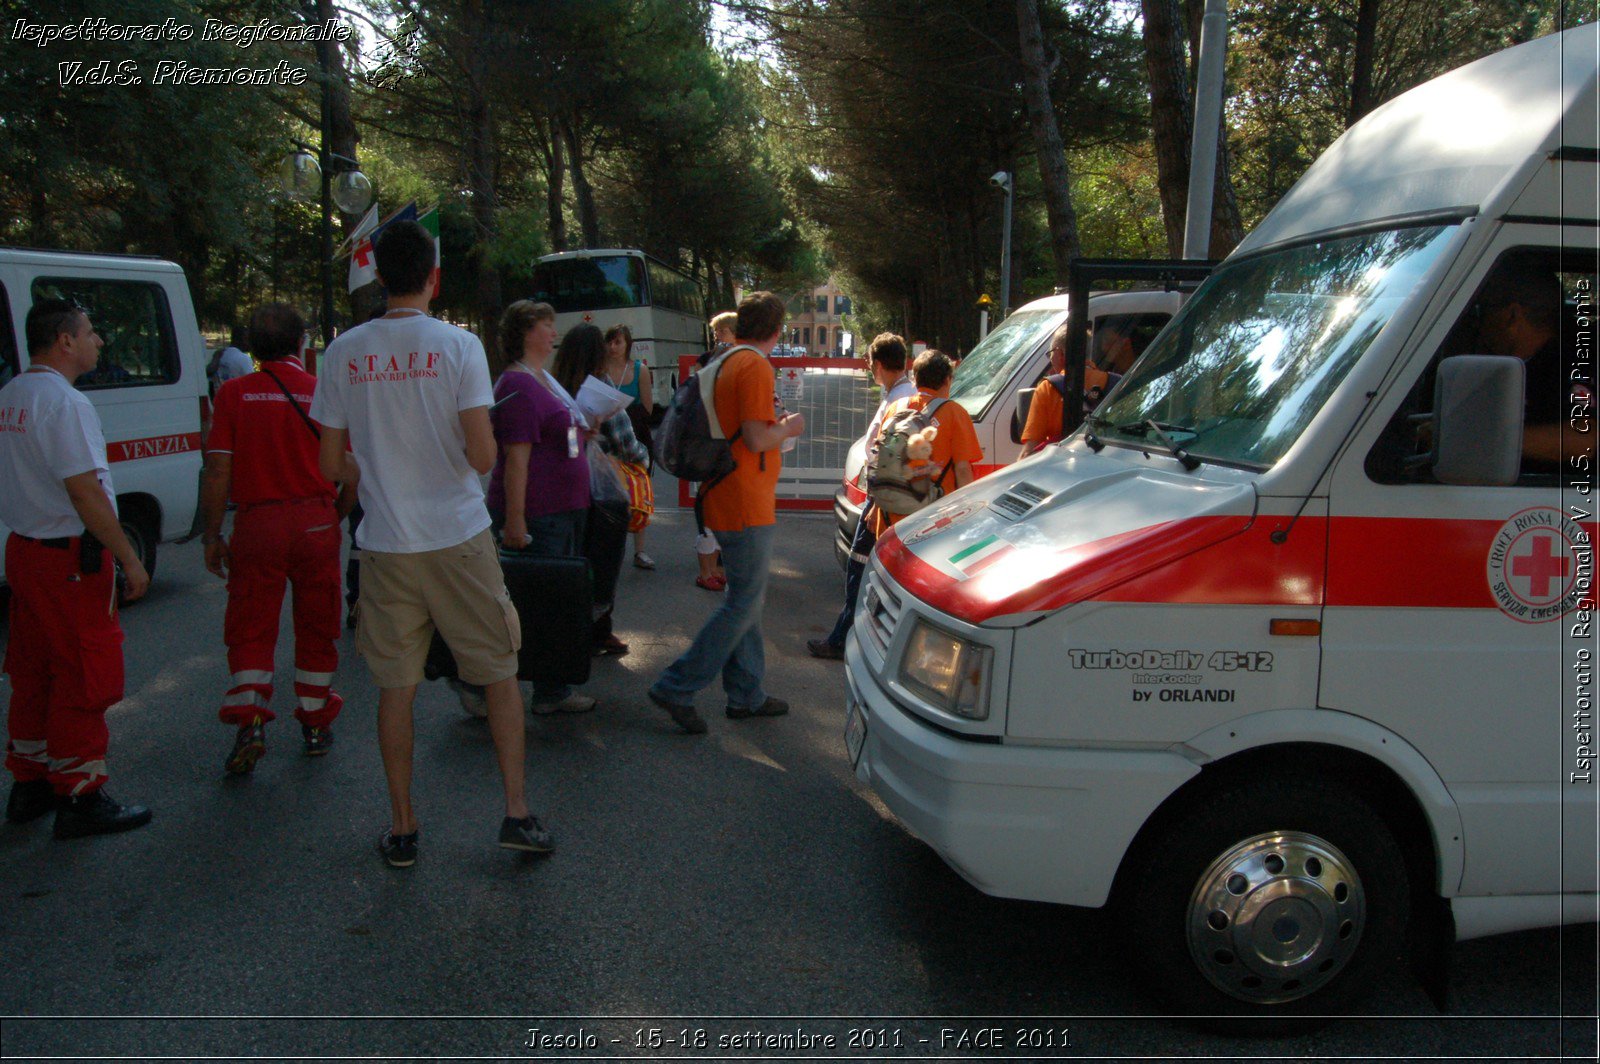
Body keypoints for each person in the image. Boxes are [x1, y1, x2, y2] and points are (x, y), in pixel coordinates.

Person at [308, 220, 553, 867]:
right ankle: (516, 813)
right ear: (435, 278)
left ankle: (404, 827)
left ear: (380, 277)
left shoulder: (343, 352)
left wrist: (374, 472)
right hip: (457, 537)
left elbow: (331, 462)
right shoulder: (459, 346)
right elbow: (479, 454)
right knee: (499, 672)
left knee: (396, 686)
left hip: (385, 544)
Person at [0, 297, 153, 838]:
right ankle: (81, 792)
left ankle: (31, 781)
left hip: (25, 551)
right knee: (83, 674)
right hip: (67, 558)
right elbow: (85, 490)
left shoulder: (12, 395)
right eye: (90, 333)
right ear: (65, 341)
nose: (99, 342)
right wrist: (128, 557)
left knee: (33, 670)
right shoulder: (63, 404)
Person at [200, 303, 353, 775]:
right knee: (316, 621)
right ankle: (313, 721)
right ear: (301, 342)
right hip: (315, 521)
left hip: (258, 524)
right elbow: (353, 472)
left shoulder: (233, 395)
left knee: (250, 624)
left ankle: (249, 719)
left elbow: (218, 469)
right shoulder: (322, 392)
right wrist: (336, 515)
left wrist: (212, 535)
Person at [648, 292, 805, 734]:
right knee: (741, 604)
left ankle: (746, 694)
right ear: (776, 331)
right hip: (744, 500)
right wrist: (790, 426)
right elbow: (756, 438)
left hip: (726, 495)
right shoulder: (754, 365)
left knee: (745, 601)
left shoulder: (727, 359)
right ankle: (676, 686)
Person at [485, 300, 596, 714]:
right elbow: (516, 459)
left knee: (550, 603)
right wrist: (515, 521)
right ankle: (487, 687)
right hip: (540, 512)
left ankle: (550, 689)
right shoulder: (519, 386)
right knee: (536, 604)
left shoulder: (541, 379)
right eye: (545, 325)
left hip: (560, 509)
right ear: (525, 332)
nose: (553, 331)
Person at [808, 332, 916, 660]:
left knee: (858, 567)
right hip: (884, 497)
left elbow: (890, 458)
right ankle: (853, 636)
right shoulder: (899, 394)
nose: (869, 369)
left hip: (882, 499)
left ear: (880, 365)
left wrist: (877, 503)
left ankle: (843, 640)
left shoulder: (900, 401)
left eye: (870, 363)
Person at [553, 323, 649, 657]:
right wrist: (643, 458)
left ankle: (573, 631)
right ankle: (597, 631)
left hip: (563, 488)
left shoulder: (554, 384)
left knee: (572, 561)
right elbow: (625, 441)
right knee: (603, 563)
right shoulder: (600, 386)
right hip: (602, 491)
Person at [1472, 256, 1590, 474]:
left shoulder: (1579, 360)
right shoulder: (1515, 366)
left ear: (1512, 315)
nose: (1477, 323)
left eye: (1481, 310)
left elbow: (1586, 440)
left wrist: (1473, 440)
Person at [868, 349, 982, 537]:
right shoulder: (955, 413)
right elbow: (962, 470)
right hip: (932, 521)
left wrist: (874, 506)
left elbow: (880, 461)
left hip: (889, 517)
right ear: (947, 380)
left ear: (915, 379)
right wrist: (968, 514)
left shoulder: (896, 408)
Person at [605, 324, 656, 570]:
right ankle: (613, 549)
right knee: (612, 495)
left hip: (635, 436)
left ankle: (640, 551)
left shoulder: (639, 370)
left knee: (638, 492)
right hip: (609, 440)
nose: (613, 347)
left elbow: (648, 407)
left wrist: (625, 411)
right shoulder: (599, 371)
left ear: (628, 345)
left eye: (618, 342)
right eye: (610, 342)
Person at [693, 311, 737, 591]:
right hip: (707, 442)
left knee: (724, 508)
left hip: (727, 444)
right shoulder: (707, 359)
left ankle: (715, 566)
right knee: (706, 506)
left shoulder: (741, 360)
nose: (718, 337)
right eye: (716, 332)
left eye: (723, 331)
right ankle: (705, 571)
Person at [209, 325, 253, 395]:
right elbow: (251, 385)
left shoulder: (219, 355)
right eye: (248, 339)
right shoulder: (244, 358)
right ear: (243, 339)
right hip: (235, 400)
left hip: (219, 400)